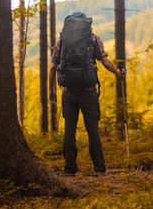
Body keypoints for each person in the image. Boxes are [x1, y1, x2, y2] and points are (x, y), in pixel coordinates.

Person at [49, 11, 123, 175]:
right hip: (88, 91)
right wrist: (118, 73)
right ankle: (100, 167)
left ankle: (70, 168)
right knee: (92, 128)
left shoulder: (62, 40)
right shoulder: (93, 38)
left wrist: (51, 90)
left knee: (69, 129)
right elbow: (104, 60)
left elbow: (53, 66)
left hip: (68, 91)